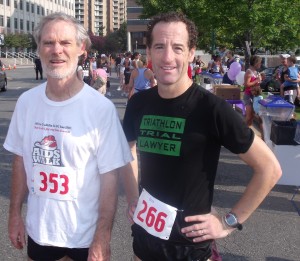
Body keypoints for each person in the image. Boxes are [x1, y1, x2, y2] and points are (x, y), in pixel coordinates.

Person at [121, 12, 281, 261]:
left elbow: (270, 169)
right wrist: (133, 198)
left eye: (177, 47)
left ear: (190, 53)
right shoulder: (139, 103)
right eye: (160, 47)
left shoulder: (211, 108)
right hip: (144, 243)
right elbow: (128, 151)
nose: (167, 57)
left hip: (191, 249)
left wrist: (229, 221)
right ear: (149, 52)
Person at [4, 12, 132, 261]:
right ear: (39, 48)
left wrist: (102, 236)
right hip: (40, 232)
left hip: (84, 236)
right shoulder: (27, 103)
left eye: (65, 43)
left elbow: (109, 177)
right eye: (48, 42)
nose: (56, 50)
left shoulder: (100, 108)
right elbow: (20, 161)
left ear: (80, 48)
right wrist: (14, 215)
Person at [243, 55, 262, 126]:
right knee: (248, 117)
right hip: (248, 95)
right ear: (256, 63)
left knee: (252, 116)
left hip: (255, 95)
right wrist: (256, 80)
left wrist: (259, 81)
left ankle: (248, 131)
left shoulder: (256, 72)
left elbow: (256, 83)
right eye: (260, 63)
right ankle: (243, 131)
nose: (260, 64)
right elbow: (246, 84)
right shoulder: (249, 72)